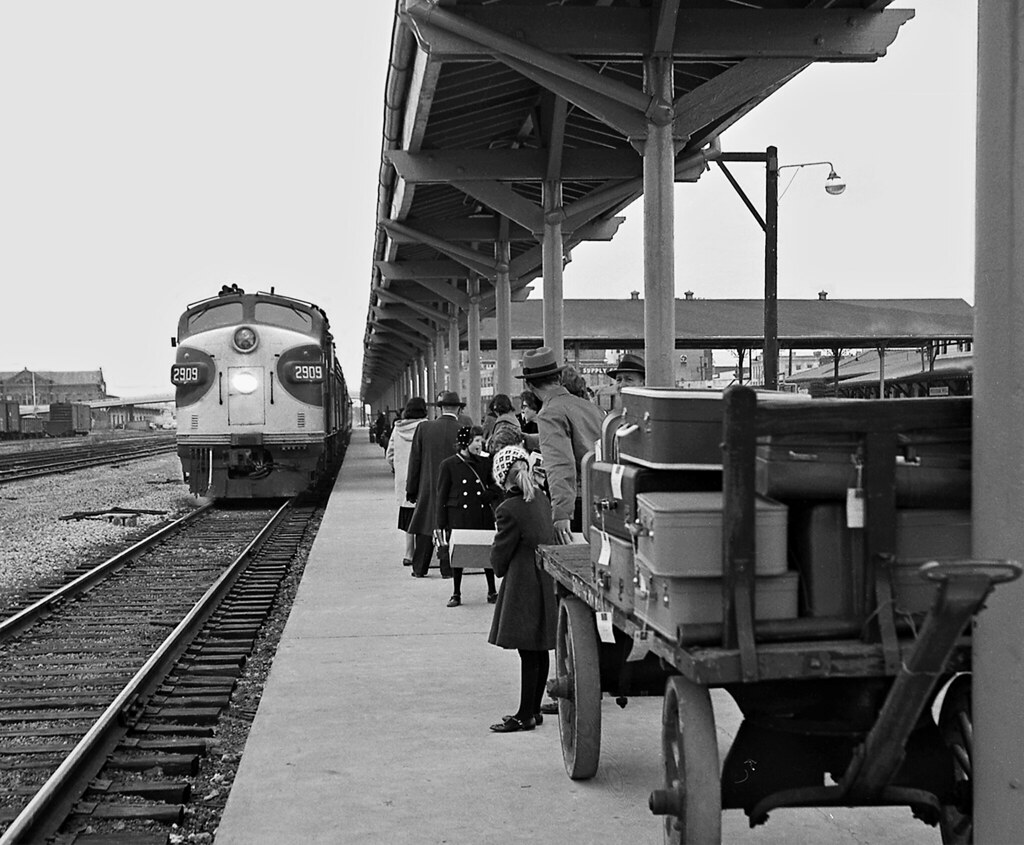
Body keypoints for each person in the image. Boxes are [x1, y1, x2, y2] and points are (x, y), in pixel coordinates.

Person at [486, 445, 557, 733]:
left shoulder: (508, 509)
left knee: (527, 652)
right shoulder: (540, 497)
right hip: (544, 579)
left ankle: (524, 715)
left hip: (524, 582)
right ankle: (534, 709)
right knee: (538, 649)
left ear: (504, 479)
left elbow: (500, 553)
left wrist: (497, 567)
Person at [517, 347, 604, 544]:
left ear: (529, 385)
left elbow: (560, 463)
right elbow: (581, 441)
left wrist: (562, 513)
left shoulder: (549, 413)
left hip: (577, 502)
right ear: (558, 377)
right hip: (604, 497)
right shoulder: (590, 407)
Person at [436, 426, 500, 607]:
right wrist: (441, 524)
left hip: (481, 514)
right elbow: (441, 496)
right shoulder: (448, 465)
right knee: (458, 556)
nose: (481, 444)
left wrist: (490, 493)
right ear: (466, 442)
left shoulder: (485, 463)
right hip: (459, 516)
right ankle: (456, 593)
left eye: (481, 440)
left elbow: (496, 484)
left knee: (487, 552)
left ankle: (491, 590)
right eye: (477, 440)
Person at [406, 391, 467, 577]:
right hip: (454, 489)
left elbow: (414, 462)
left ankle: (419, 568)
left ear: (440, 408)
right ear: (458, 408)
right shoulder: (463, 429)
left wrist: (411, 489)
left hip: (428, 488)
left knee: (425, 526)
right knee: (449, 527)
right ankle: (447, 568)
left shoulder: (424, 428)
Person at [385, 397, 428, 568]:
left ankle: (409, 553)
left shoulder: (398, 429)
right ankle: (424, 554)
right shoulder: (426, 427)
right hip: (423, 476)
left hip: (405, 479)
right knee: (424, 513)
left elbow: (390, 455)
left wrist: (399, 468)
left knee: (409, 516)